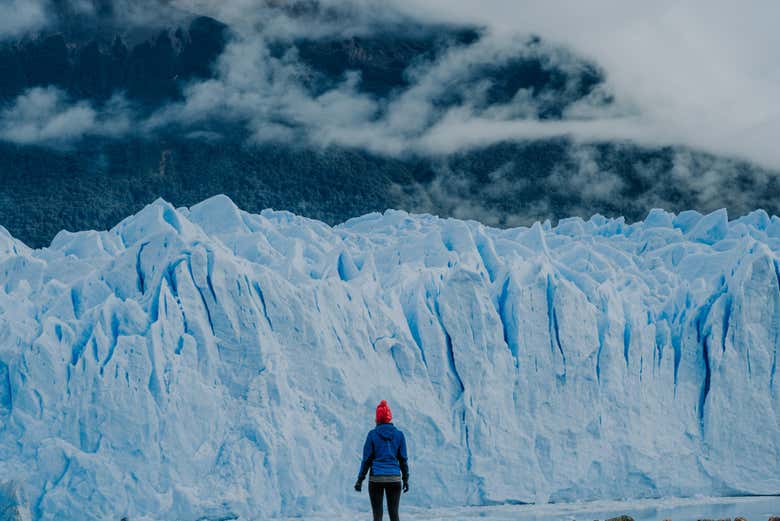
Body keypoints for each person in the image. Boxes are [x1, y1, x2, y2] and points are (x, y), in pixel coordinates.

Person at [354, 400, 409, 521]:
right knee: (394, 515)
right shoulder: (399, 435)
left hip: (376, 479)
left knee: (377, 516)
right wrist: (405, 478)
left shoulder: (372, 435)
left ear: (377, 418)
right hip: (394, 478)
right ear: (389, 418)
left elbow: (367, 460)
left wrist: (360, 479)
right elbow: (403, 459)